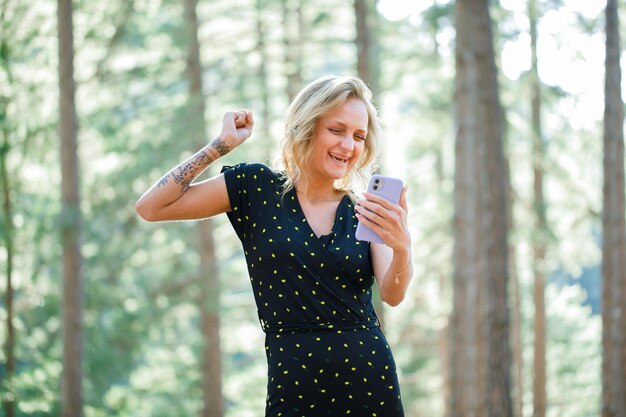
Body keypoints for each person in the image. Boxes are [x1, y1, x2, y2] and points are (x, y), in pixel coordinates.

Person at [135, 75, 412, 417]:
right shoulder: (255, 188)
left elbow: (393, 294)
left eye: (358, 136)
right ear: (308, 126)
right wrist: (219, 146)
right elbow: (151, 207)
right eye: (336, 130)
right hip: (293, 379)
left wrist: (402, 248)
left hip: (368, 377)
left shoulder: (365, 209)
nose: (348, 146)